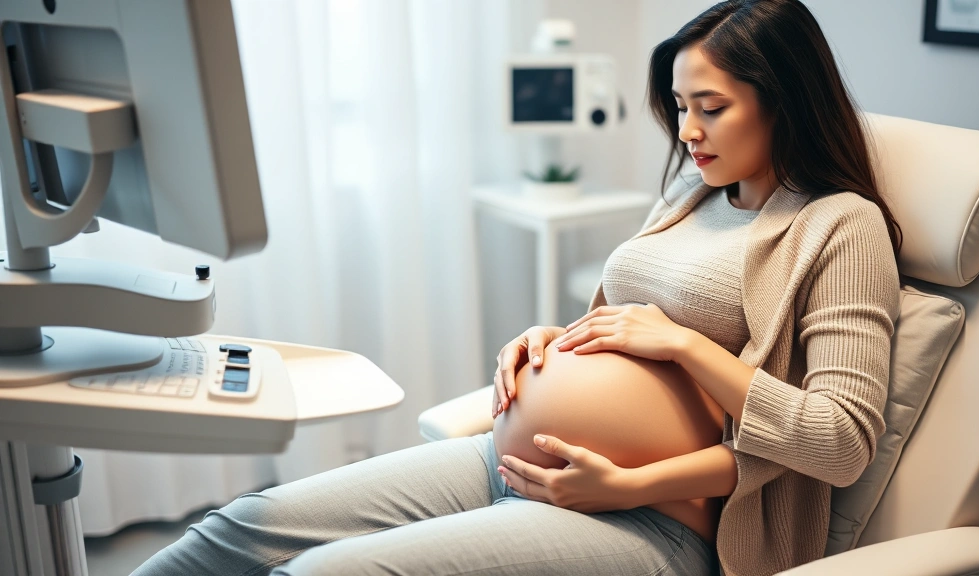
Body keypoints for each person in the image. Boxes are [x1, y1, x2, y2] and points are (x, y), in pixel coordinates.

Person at [133, 0, 901, 574]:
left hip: (658, 521)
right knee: (245, 523)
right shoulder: (692, 195)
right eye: (678, 107)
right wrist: (554, 340)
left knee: (322, 573)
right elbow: (619, 328)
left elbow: (840, 442)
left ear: (784, 100)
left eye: (711, 108)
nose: (686, 131)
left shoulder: (839, 225)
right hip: (509, 461)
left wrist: (668, 385)